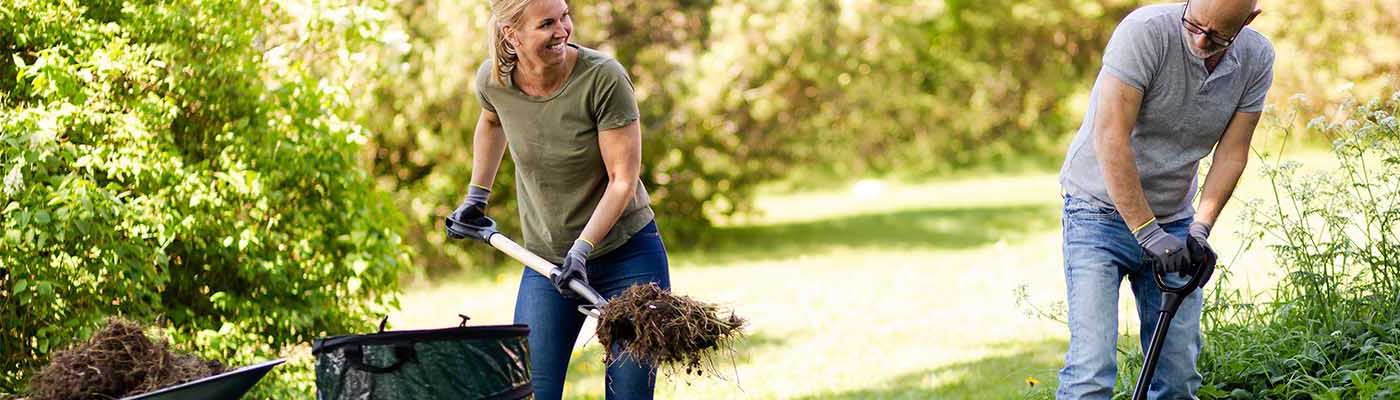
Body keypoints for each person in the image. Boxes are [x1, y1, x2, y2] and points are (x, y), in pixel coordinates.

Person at [444, 0, 668, 398]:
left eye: (565, 16)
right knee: (533, 390)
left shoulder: (603, 79)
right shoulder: (495, 81)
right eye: (547, 23)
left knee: (629, 393)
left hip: (627, 255)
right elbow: (492, 119)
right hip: (547, 263)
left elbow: (622, 180)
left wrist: (582, 251)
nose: (563, 29)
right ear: (512, 34)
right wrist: (476, 198)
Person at [1055, 0, 1273, 398]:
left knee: (1177, 379)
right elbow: (1110, 137)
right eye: (1195, 24)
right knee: (1091, 371)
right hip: (1095, 212)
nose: (1200, 39)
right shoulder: (1145, 32)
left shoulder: (1257, 58)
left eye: (1218, 34)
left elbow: (1232, 153)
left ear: (1249, 21)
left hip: (1173, 219)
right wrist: (1146, 232)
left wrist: (1200, 229)